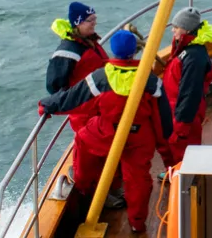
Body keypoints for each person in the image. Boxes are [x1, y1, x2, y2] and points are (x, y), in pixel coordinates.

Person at [38, 31, 175, 233]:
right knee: (138, 181)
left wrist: (46, 105)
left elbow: (72, 98)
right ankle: (137, 224)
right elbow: (162, 118)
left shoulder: (100, 77)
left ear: (114, 51)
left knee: (83, 139)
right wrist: (164, 149)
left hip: (107, 132)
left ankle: (83, 186)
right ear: (135, 51)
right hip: (139, 137)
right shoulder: (151, 80)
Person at [163, 7, 212, 162]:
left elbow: (190, 93)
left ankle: (187, 180)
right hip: (176, 106)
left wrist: (182, 125)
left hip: (185, 112)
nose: (172, 30)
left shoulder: (193, 57)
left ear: (186, 30)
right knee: (178, 147)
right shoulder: (186, 47)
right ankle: (175, 173)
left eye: (176, 27)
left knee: (185, 148)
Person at [46, 2, 110, 135]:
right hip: (86, 114)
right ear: (78, 23)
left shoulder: (88, 40)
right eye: (90, 20)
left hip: (101, 105)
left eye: (95, 18)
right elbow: (54, 86)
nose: (94, 23)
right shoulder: (68, 52)